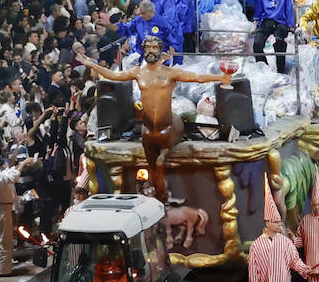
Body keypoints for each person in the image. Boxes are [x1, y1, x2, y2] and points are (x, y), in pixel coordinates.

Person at [75, 36, 225, 201]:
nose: (151, 51)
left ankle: (162, 195)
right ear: (143, 50)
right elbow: (113, 76)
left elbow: (197, 78)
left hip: (168, 127)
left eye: (154, 47)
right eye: (147, 48)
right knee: (152, 166)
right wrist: (91, 65)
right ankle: (158, 194)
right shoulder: (138, 72)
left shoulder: (170, 73)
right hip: (148, 130)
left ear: (160, 50)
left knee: (160, 162)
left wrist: (220, 78)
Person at [254, 0, 296, 74]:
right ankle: (263, 68)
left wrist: (291, 25)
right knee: (257, 44)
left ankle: (281, 70)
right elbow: (259, 9)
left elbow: (289, 9)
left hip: (280, 22)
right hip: (266, 21)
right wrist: (256, 20)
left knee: (279, 42)